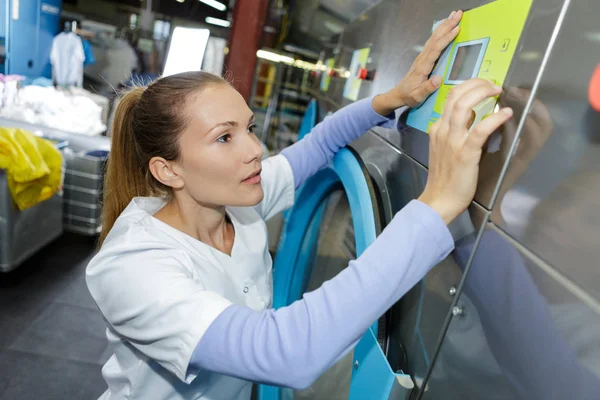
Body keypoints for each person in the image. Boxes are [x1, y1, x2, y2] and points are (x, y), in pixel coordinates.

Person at [86, 10, 514, 399]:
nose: (255, 149)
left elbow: (320, 143)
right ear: (168, 171)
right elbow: (283, 353)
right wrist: (435, 203)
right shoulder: (132, 266)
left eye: (249, 128)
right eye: (224, 137)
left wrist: (393, 98)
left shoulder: (236, 201)